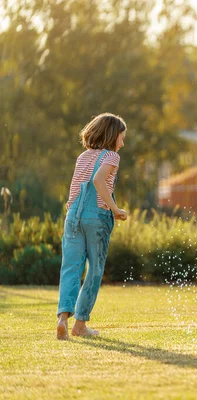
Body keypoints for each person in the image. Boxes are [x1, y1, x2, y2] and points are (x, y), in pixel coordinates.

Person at [56, 113, 128, 340]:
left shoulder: (82, 157)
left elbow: (74, 191)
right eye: (121, 137)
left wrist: (73, 211)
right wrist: (115, 209)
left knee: (70, 268)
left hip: (73, 217)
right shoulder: (112, 157)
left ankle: (62, 320)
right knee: (94, 270)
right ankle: (80, 325)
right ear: (111, 135)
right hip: (96, 218)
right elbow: (98, 181)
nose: (122, 143)